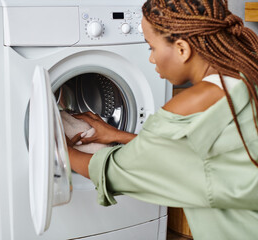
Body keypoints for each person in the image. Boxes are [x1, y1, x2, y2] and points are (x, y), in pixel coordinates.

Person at [66, 0, 258, 239]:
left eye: (151, 47)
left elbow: (114, 171)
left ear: (181, 49)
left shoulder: (185, 109)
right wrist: (120, 136)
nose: (151, 59)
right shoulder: (246, 76)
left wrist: (62, 149)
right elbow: (198, 157)